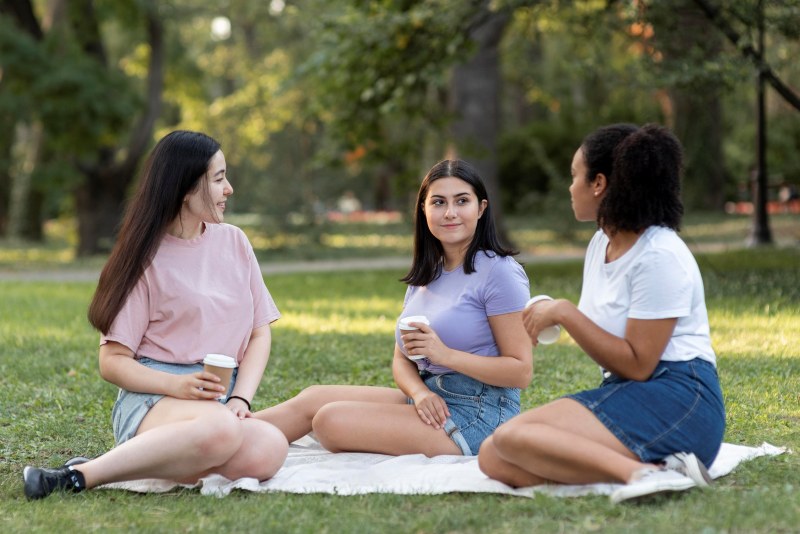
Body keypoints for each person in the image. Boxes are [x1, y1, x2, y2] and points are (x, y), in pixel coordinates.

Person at [22, 130, 288, 499]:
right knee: (223, 431)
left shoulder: (234, 242)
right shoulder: (142, 259)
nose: (229, 189)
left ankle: (149, 462)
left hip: (219, 403)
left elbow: (260, 331)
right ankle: (80, 475)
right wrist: (176, 385)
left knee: (269, 449)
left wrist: (240, 399)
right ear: (184, 189)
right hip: (154, 398)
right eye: (219, 178)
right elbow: (112, 362)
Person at [477, 124, 726, 503]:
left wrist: (564, 313)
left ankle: (641, 473)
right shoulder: (601, 243)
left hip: (680, 397)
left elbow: (639, 364)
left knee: (512, 436)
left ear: (599, 184)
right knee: (493, 458)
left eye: (575, 175)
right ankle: (661, 470)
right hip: (626, 390)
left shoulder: (660, 255)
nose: (570, 186)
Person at [253, 159, 532, 457]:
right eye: (438, 202)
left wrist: (445, 355)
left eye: (461, 201)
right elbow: (402, 360)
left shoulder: (499, 273)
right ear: (424, 209)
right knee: (313, 398)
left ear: (481, 208)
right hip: (431, 399)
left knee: (329, 420)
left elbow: (520, 371)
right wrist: (420, 392)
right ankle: (226, 432)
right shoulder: (428, 274)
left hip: (479, 413)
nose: (449, 213)